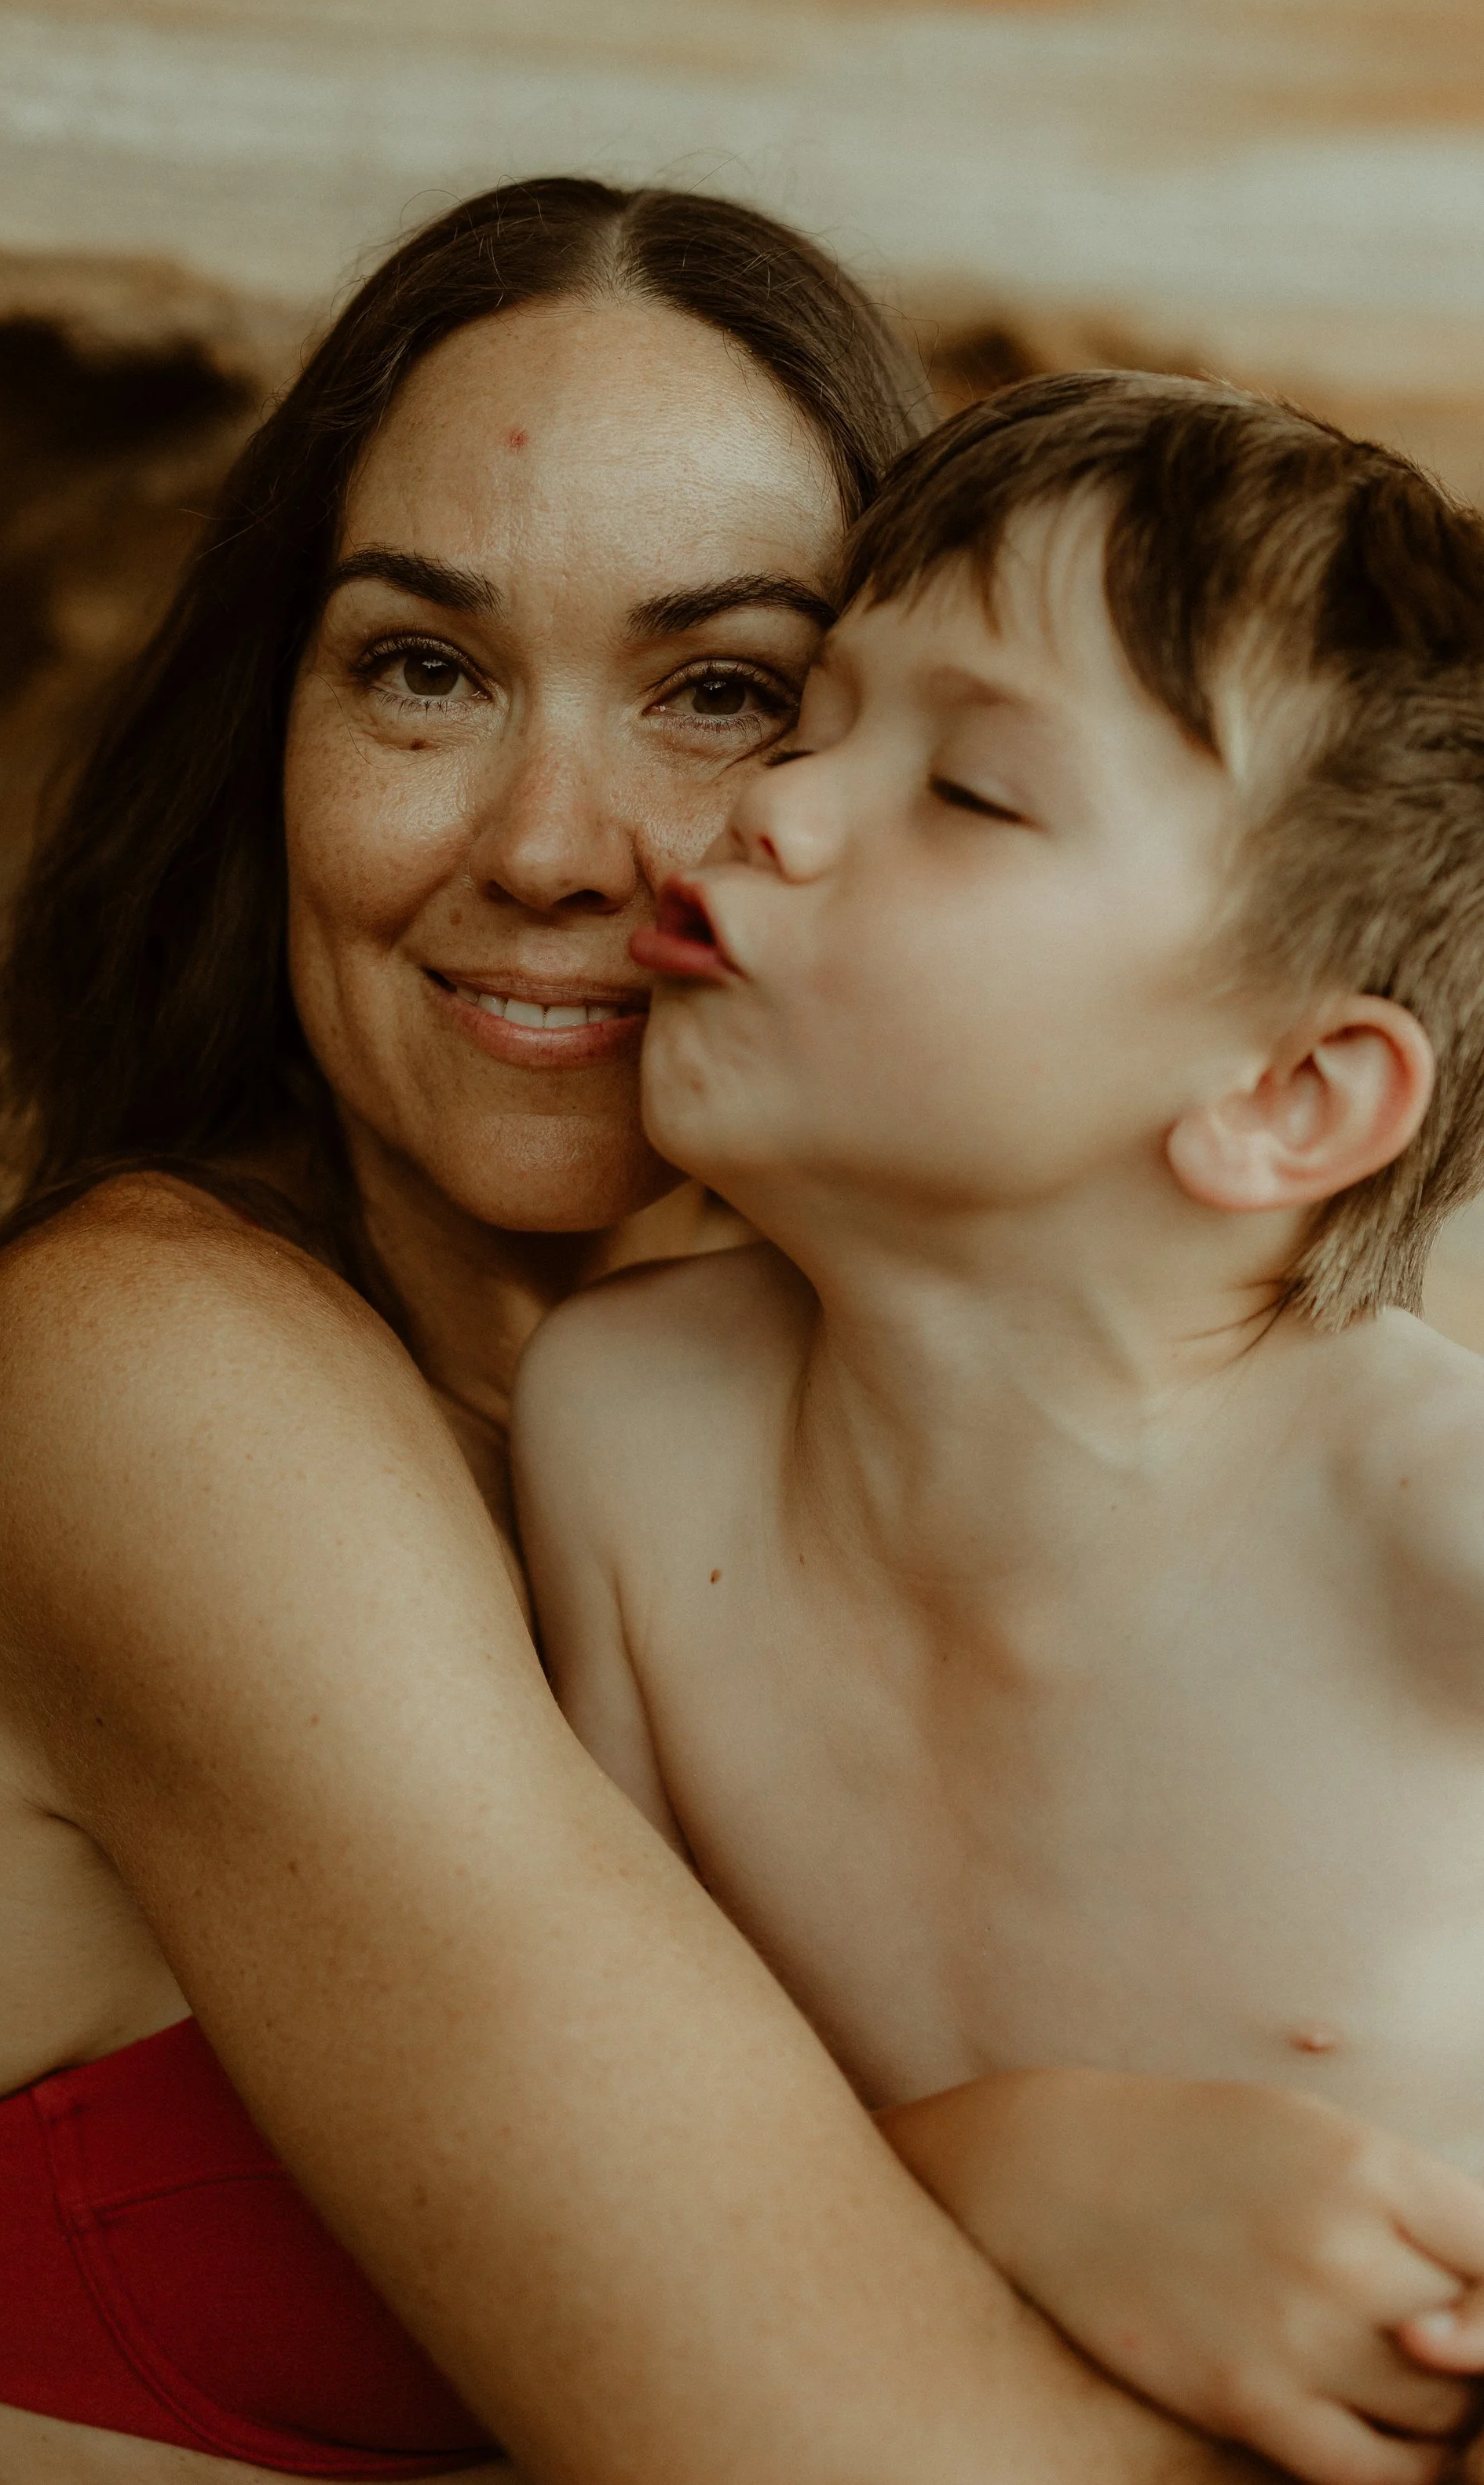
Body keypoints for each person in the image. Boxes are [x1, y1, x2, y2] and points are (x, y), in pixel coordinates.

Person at [0, 184, 1266, 2485]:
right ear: (270, 733)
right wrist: (1011, 2174)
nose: (555, 844)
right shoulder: (148, 1387)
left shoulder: (898, 1428)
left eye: (721, 690)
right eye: (425, 669)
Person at [517, 372, 1484, 2485]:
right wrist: (1009, 2162)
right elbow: (586, 2152)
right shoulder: (623, 1428)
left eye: (966, 789)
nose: (760, 811)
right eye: (800, 715)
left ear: (1282, 1097)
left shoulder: (1425, 1526)